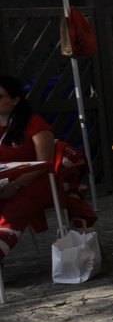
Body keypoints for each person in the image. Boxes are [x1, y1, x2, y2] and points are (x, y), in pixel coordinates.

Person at [0, 74, 59, 265]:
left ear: (15, 99)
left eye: (0, 97)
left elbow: (44, 162)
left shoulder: (34, 123)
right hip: (3, 180)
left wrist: (15, 185)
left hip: (34, 180)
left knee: (16, 208)